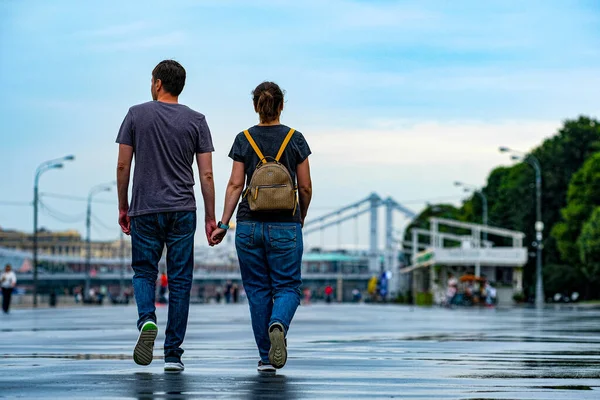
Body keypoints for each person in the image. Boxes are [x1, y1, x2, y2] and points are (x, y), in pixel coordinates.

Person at [116, 60, 216, 374]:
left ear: (158, 83)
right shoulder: (197, 120)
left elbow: (122, 167)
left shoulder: (136, 114)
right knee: (181, 281)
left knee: (144, 272)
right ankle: (173, 354)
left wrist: (123, 206)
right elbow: (207, 175)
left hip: (145, 208)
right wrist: (211, 217)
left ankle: (147, 319)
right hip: (183, 209)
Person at [210, 81, 312, 374]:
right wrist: (300, 216)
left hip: (249, 225)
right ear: (281, 106)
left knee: (256, 290)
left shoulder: (243, 139)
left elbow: (234, 184)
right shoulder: (296, 139)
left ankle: (266, 357)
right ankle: (278, 323)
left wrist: (223, 224)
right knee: (288, 287)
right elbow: (304, 187)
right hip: (285, 225)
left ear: (256, 106)